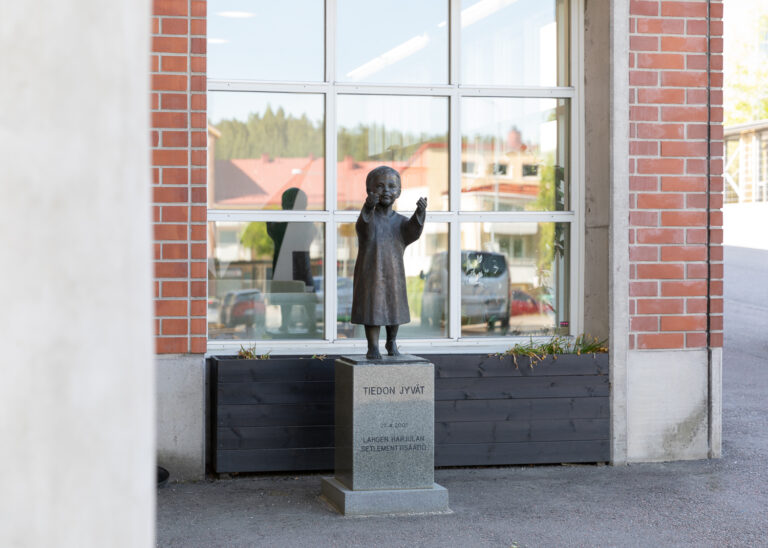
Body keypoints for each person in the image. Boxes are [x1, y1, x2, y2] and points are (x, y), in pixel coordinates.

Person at [351, 166, 427, 359]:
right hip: (371, 272)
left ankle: (391, 342)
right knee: (372, 309)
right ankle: (373, 347)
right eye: (380, 186)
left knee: (394, 308)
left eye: (392, 186)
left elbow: (412, 232)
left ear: (399, 192)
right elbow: (363, 226)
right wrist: (368, 206)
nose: (386, 191)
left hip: (394, 272)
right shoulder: (368, 219)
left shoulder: (400, 222)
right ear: (369, 191)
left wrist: (420, 213)